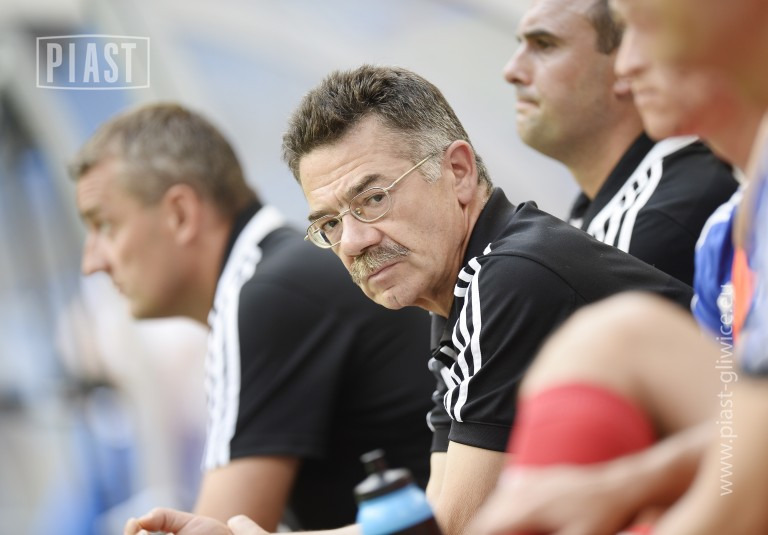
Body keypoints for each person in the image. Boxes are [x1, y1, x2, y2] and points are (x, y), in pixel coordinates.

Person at [124, 65, 692, 535]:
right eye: (329, 223)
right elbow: (429, 516)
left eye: (373, 199)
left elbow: (454, 527)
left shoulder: (509, 277)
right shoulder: (460, 288)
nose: (352, 241)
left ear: (458, 172)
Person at [470, 0, 768, 533]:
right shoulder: (721, 231)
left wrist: (629, 487)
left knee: (617, 337)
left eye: (644, 28)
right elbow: (738, 429)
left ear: (456, 171)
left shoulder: (673, 212)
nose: (628, 65)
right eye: (327, 222)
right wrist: (629, 486)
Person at [71, 103, 436, 531]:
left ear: (180, 214)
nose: (92, 262)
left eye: (105, 226)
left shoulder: (267, 296)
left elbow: (218, 526)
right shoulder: (280, 274)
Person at [505, 0, 738, 285]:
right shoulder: (615, 202)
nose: (511, 71)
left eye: (544, 44)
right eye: (521, 44)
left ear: (620, 67)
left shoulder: (660, 218)